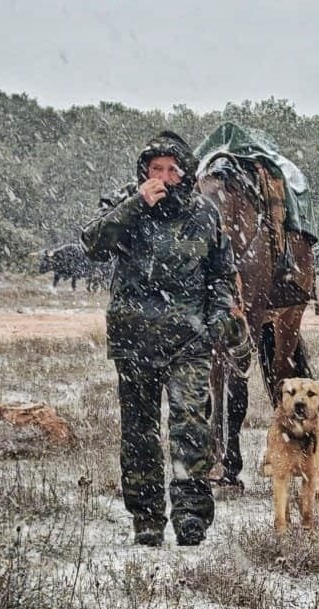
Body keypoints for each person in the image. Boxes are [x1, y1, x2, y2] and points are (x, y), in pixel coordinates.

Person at [82, 130, 244, 547]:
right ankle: (147, 517)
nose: (166, 177)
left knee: (191, 424)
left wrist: (219, 317)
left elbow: (221, 273)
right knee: (140, 432)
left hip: (188, 340)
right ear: (144, 172)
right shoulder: (125, 205)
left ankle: (191, 515)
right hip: (134, 339)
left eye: (174, 170)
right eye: (157, 169)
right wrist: (137, 205)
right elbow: (93, 244)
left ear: (187, 174)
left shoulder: (204, 214)